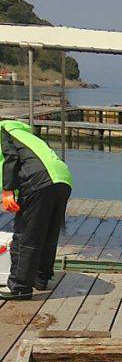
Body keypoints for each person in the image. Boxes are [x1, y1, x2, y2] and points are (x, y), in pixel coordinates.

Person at [0, 120, 72, 300]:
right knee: (48, 232)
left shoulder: (4, 131)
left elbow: (10, 158)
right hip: (62, 179)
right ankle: (41, 278)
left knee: (26, 233)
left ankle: (20, 287)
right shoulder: (25, 134)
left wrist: (8, 190)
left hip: (39, 179)